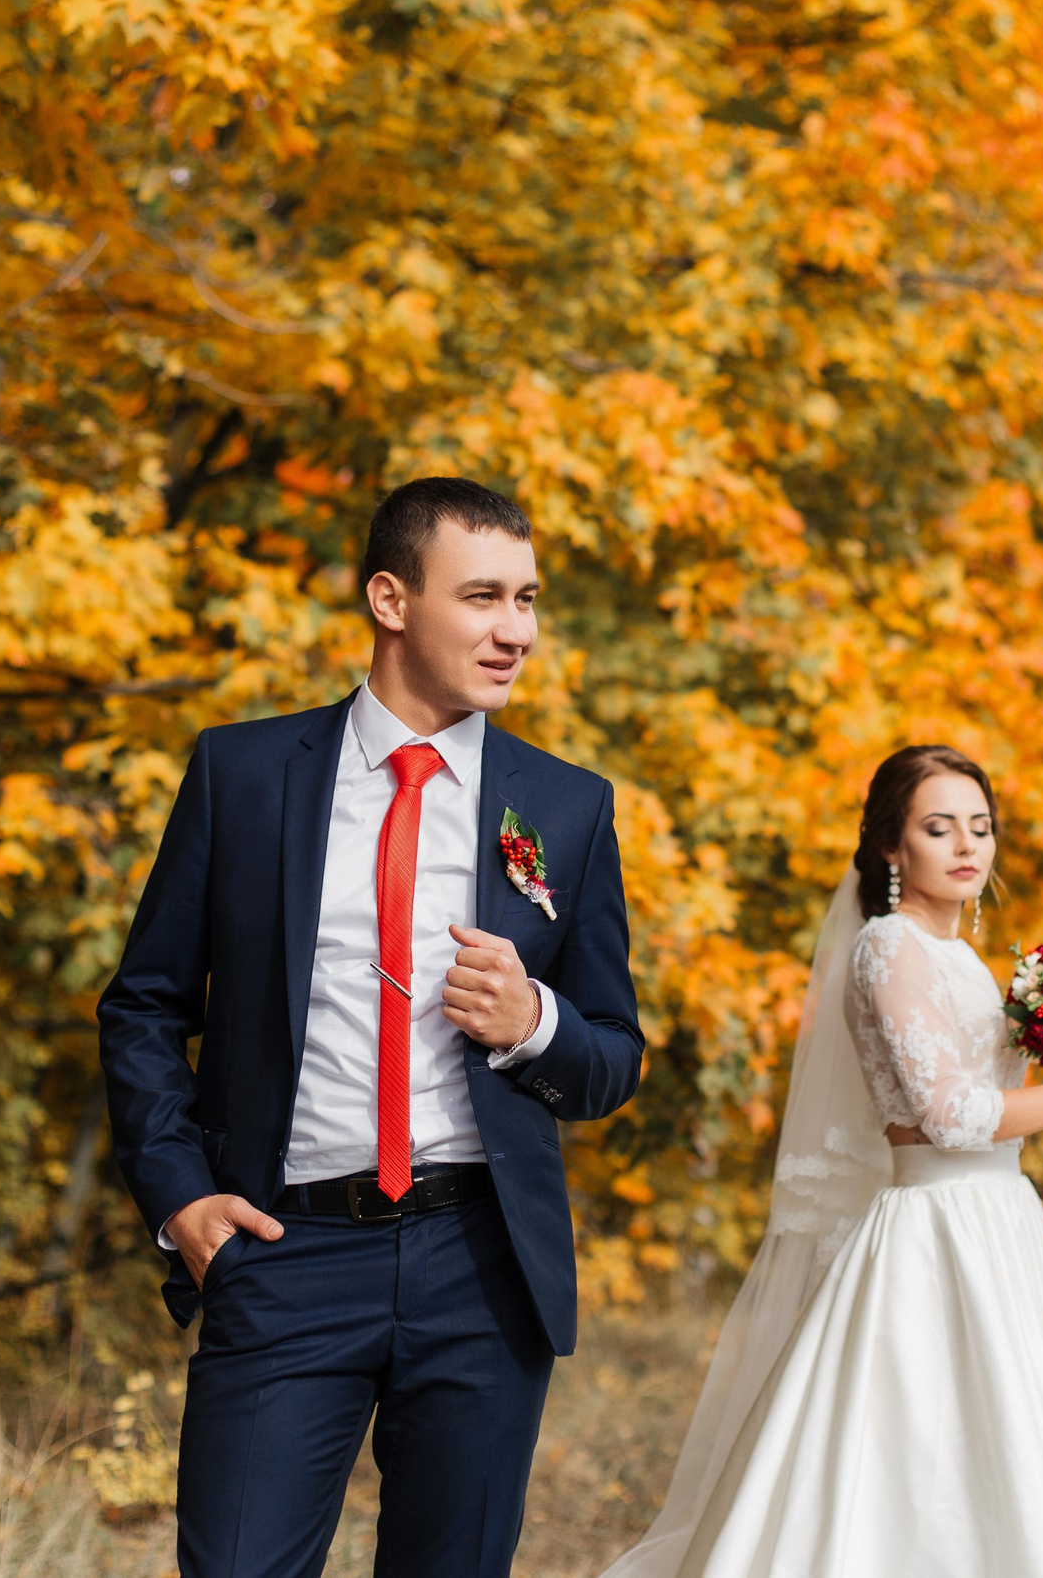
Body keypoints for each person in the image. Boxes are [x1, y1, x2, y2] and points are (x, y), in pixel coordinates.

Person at [97, 477, 644, 1578]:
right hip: (282, 1252)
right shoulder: (243, 775)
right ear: (390, 599)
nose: (517, 631)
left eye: (527, 599)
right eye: (483, 596)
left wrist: (536, 1022)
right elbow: (144, 1005)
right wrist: (181, 1198)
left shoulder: (568, 805)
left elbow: (612, 1059)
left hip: (482, 1264)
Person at [602, 745, 1043, 1578]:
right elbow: (950, 1115)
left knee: (1025, 1448)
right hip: (933, 1230)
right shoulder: (888, 947)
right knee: (918, 1455)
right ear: (891, 846)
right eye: (938, 826)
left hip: (998, 1224)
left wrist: (1015, 1184)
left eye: (980, 828)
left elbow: (980, 1115)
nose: (966, 846)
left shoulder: (956, 957)